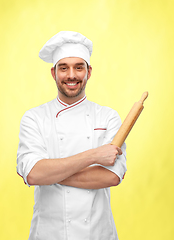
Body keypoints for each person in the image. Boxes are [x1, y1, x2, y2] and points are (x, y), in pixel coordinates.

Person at [16, 31, 127, 240]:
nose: (71, 75)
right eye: (63, 68)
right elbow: (33, 174)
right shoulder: (34, 118)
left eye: (79, 67)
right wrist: (93, 156)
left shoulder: (108, 117)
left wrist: (51, 174)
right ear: (53, 73)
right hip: (49, 234)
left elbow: (112, 176)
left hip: (97, 233)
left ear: (89, 72)